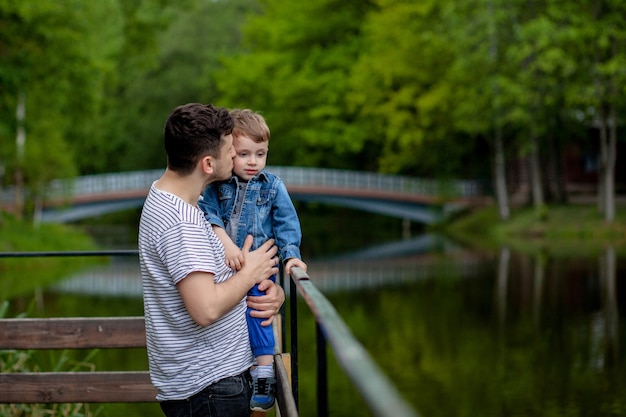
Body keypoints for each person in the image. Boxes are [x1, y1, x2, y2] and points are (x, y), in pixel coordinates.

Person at [138, 103, 285, 417]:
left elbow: (215, 281)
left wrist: (267, 292)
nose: (236, 156)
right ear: (208, 163)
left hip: (211, 383)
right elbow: (205, 309)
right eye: (231, 150)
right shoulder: (181, 223)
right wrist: (251, 273)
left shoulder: (170, 200)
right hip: (208, 390)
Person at [199, 108, 307, 412]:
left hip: (260, 267)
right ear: (230, 153)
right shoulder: (217, 186)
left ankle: (264, 372)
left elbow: (287, 225)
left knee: (259, 309)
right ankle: (239, 368)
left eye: (260, 154)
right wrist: (228, 248)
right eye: (244, 154)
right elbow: (210, 217)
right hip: (227, 267)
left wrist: (292, 258)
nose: (253, 162)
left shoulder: (272, 186)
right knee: (233, 312)